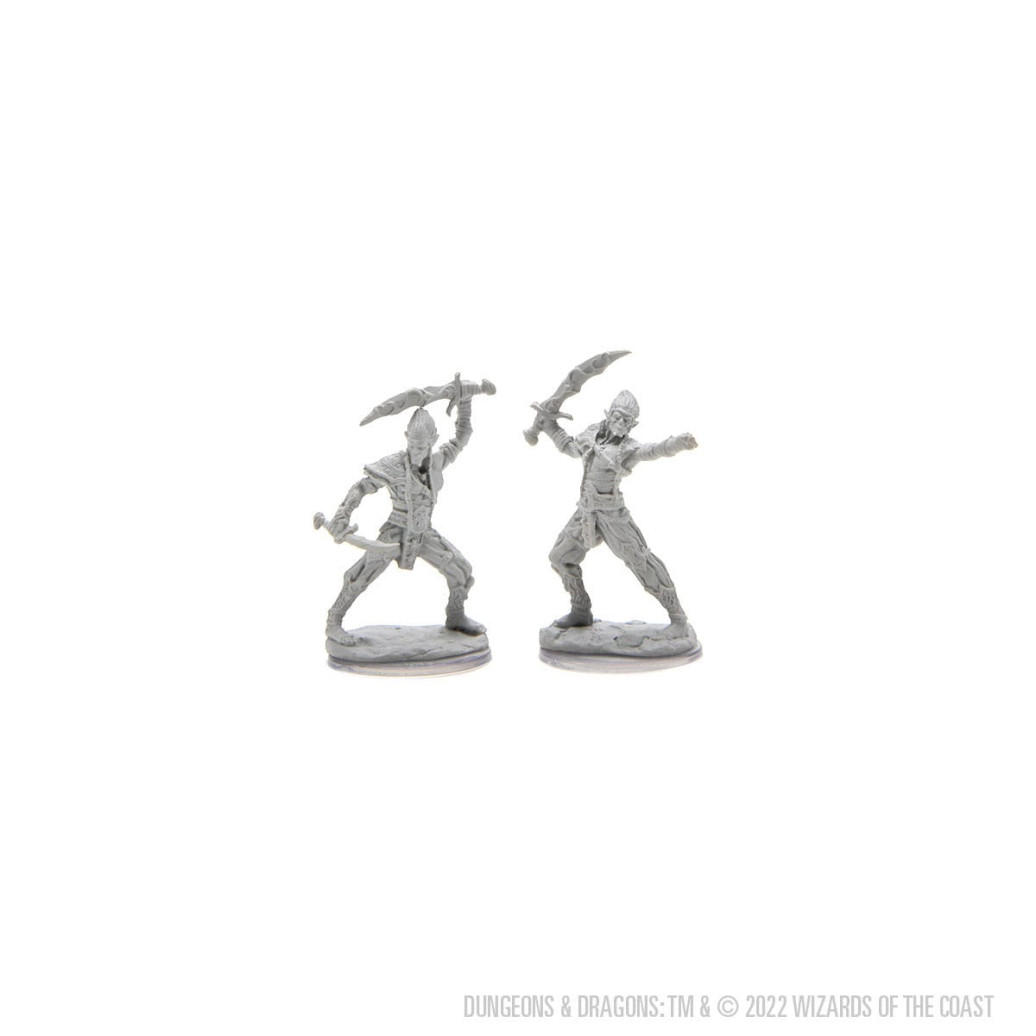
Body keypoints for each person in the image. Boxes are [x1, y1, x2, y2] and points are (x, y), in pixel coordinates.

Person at [324, 398, 484, 642]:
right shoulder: (393, 465)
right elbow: (362, 487)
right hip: (395, 532)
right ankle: (334, 622)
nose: (416, 451)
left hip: (424, 533)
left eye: (422, 447)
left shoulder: (437, 462)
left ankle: (455, 615)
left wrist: (465, 401)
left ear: (433, 440)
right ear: (406, 438)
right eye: (413, 445)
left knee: (461, 570)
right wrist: (343, 514)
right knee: (361, 575)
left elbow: (462, 436)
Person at [541, 390, 697, 634]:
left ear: (633, 424)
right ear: (608, 414)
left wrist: (677, 443)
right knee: (560, 557)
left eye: (627, 420)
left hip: (612, 516)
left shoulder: (627, 450)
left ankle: (677, 617)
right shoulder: (592, 435)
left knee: (641, 562)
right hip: (586, 512)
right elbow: (570, 447)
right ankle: (580, 609)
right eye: (617, 416)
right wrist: (549, 425)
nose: (621, 422)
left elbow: (653, 451)